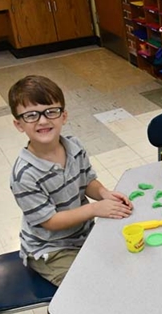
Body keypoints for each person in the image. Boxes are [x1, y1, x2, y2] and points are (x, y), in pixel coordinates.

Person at [8, 75, 133, 286]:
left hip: (83, 234)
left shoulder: (74, 146)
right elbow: (50, 221)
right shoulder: (24, 175)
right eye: (31, 115)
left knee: (124, 262)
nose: (43, 120)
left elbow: (87, 182)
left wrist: (103, 193)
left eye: (51, 111)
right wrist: (94, 209)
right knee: (89, 285)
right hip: (51, 250)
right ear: (18, 124)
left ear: (63, 116)